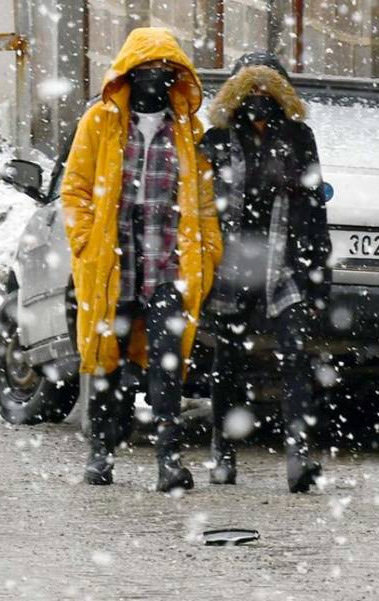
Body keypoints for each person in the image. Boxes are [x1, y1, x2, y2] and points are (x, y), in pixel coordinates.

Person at [61, 28, 223, 492]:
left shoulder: (189, 131)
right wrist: (88, 241)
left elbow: (205, 201)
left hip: (171, 265)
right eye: (148, 70)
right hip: (116, 264)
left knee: (169, 362)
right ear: (130, 74)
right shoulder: (100, 123)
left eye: (166, 72)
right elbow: (74, 190)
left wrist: (209, 253)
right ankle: (101, 453)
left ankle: (169, 459)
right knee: (107, 360)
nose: (156, 79)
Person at [201, 53, 332, 493]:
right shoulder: (217, 139)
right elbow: (201, 208)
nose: (258, 98)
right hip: (233, 264)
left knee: (295, 358)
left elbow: (313, 206)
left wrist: (318, 271)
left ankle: (298, 455)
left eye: (267, 90)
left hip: (284, 262)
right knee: (228, 360)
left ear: (281, 93)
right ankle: (223, 450)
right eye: (250, 90)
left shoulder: (297, 137)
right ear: (236, 93)